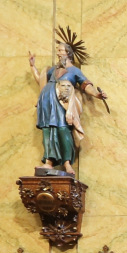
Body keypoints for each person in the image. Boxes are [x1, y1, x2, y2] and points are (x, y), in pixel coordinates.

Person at [30, 31, 108, 175]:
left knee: (63, 129)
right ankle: (48, 162)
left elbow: (86, 85)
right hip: (46, 102)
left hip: (62, 103)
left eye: (61, 51)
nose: (58, 53)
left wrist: (97, 95)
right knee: (47, 131)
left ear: (68, 53)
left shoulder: (74, 71)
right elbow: (40, 80)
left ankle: (67, 163)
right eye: (58, 51)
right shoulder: (53, 70)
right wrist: (33, 66)